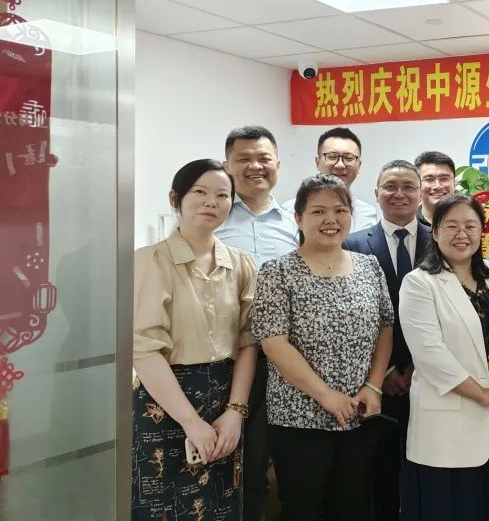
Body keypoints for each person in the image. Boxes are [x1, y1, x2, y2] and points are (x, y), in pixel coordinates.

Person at [251, 174, 394, 520]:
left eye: (340, 210)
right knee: (303, 510)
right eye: (318, 211)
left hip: (359, 416)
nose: (331, 219)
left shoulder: (369, 266)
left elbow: (385, 326)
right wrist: (326, 395)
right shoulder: (277, 272)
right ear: (298, 218)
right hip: (298, 419)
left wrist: (374, 386)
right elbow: (274, 343)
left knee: (353, 507)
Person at [132, 159, 257, 520]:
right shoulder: (150, 261)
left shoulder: (242, 263)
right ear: (176, 198)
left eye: (222, 195)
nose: (211, 202)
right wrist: (189, 421)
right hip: (166, 400)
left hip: (224, 397)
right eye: (199, 192)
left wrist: (235, 412)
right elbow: (143, 348)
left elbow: (249, 340)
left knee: (222, 501)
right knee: (165, 505)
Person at [398, 195, 489, 521]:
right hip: (446, 429)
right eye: (451, 226)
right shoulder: (419, 283)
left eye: (470, 226)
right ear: (435, 231)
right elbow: (430, 354)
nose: (462, 234)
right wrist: (483, 394)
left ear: (482, 231)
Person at [216, 125, 297, 521]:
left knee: (287, 459)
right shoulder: (213, 217)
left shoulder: (296, 222)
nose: (255, 166)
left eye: (263, 158)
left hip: (288, 360)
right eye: (243, 159)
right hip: (227, 359)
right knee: (238, 463)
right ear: (227, 165)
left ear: (277, 163)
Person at [344, 160, 432, 521]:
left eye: (409, 187)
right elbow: (353, 320)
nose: (400, 194)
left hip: (431, 378)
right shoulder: (352, 244)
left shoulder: (442, 240)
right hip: (375, 381)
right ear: (376, 193)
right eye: (391, 186)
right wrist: (388, 369)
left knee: (426, 468)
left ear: (421, 194)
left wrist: (418, 366)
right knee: (379, 472)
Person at [283, 127, 380, 233]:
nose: (340, 165)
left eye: (349, 158)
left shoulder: (367, 213)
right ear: (317, 162)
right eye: (332, 157)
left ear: (359, 165)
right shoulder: (288, 212)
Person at [415, 151, 456, 227]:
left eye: (444, 179)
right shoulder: (407, 222)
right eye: (429, 179)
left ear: (454, 182)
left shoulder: (472, 220)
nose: (437, 186)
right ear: (417, 184)